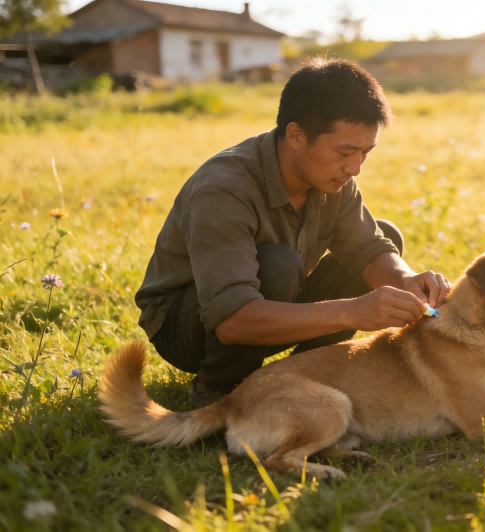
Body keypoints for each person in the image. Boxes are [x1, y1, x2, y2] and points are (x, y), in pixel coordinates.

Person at [135, 58, 451, 407]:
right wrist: (354, 312)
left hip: (269, 307)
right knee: (277, 263)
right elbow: (231, 321)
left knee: (385, 244)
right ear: (297, 135)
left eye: (365, 152)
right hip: (190, 327)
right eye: (346, 151)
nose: (355, 168)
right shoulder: (224, 189)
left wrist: (406, 281)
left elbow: (369, 247)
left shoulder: (333, 178)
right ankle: (220, 394)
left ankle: (312, 380)